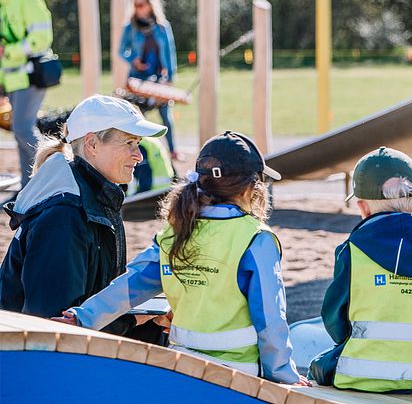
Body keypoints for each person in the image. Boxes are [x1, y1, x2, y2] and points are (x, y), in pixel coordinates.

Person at [54, 131, 309, 385]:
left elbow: (130, 286)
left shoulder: (174, 231)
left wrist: (83, 316)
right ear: (252, 186)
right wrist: (282, 374)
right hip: (237, 374)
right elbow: (270, 316)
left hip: (182, 366)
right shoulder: (256, 238)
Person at [0, 95, 166, 339]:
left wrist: (148, 320)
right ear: (92, 144)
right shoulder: (65, 217)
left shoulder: (94, 194)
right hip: (34, 359)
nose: (138, 155)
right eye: (129, 143)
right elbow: (54, 325)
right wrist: (135, 320)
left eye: (138, 143)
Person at [309, 147, 412, 392]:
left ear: (362, 207)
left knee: (318, 366)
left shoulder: (353, 250)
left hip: (366, 372)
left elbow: (334, 315)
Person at [0, 0, 53, 189]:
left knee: (22, 129)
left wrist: (8, 51)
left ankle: (52, 176)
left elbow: (41, 40)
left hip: (31, 77)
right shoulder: (6, 0)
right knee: (19, 131)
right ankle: (28, 187)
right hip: (14, 80)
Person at [119, 0, 178, 159]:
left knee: (166, 116)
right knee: (137, 116)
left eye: (141, 4)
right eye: (135, 5)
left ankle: (173, 150)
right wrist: (133, 60)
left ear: (151, 5)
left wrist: (170, 78)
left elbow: (169, 52)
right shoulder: (130, 26)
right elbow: (121, 50)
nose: (138, 8)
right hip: (137, 78)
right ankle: (139, 151)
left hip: (159, 79)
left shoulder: (162, 27)